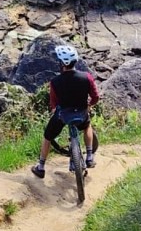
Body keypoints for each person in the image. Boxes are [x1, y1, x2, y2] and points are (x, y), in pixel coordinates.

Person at [31, 45, 100, 179]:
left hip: (63, 116)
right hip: (81, 113)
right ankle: (90, 156)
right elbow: (95, 97)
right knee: (87, 126)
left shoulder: (55, 82)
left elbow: (53, 103)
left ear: (63, 63)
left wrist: (54, 110)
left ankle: (41, 167)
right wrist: (89, 105)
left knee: (47, 137)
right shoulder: (87, 77)